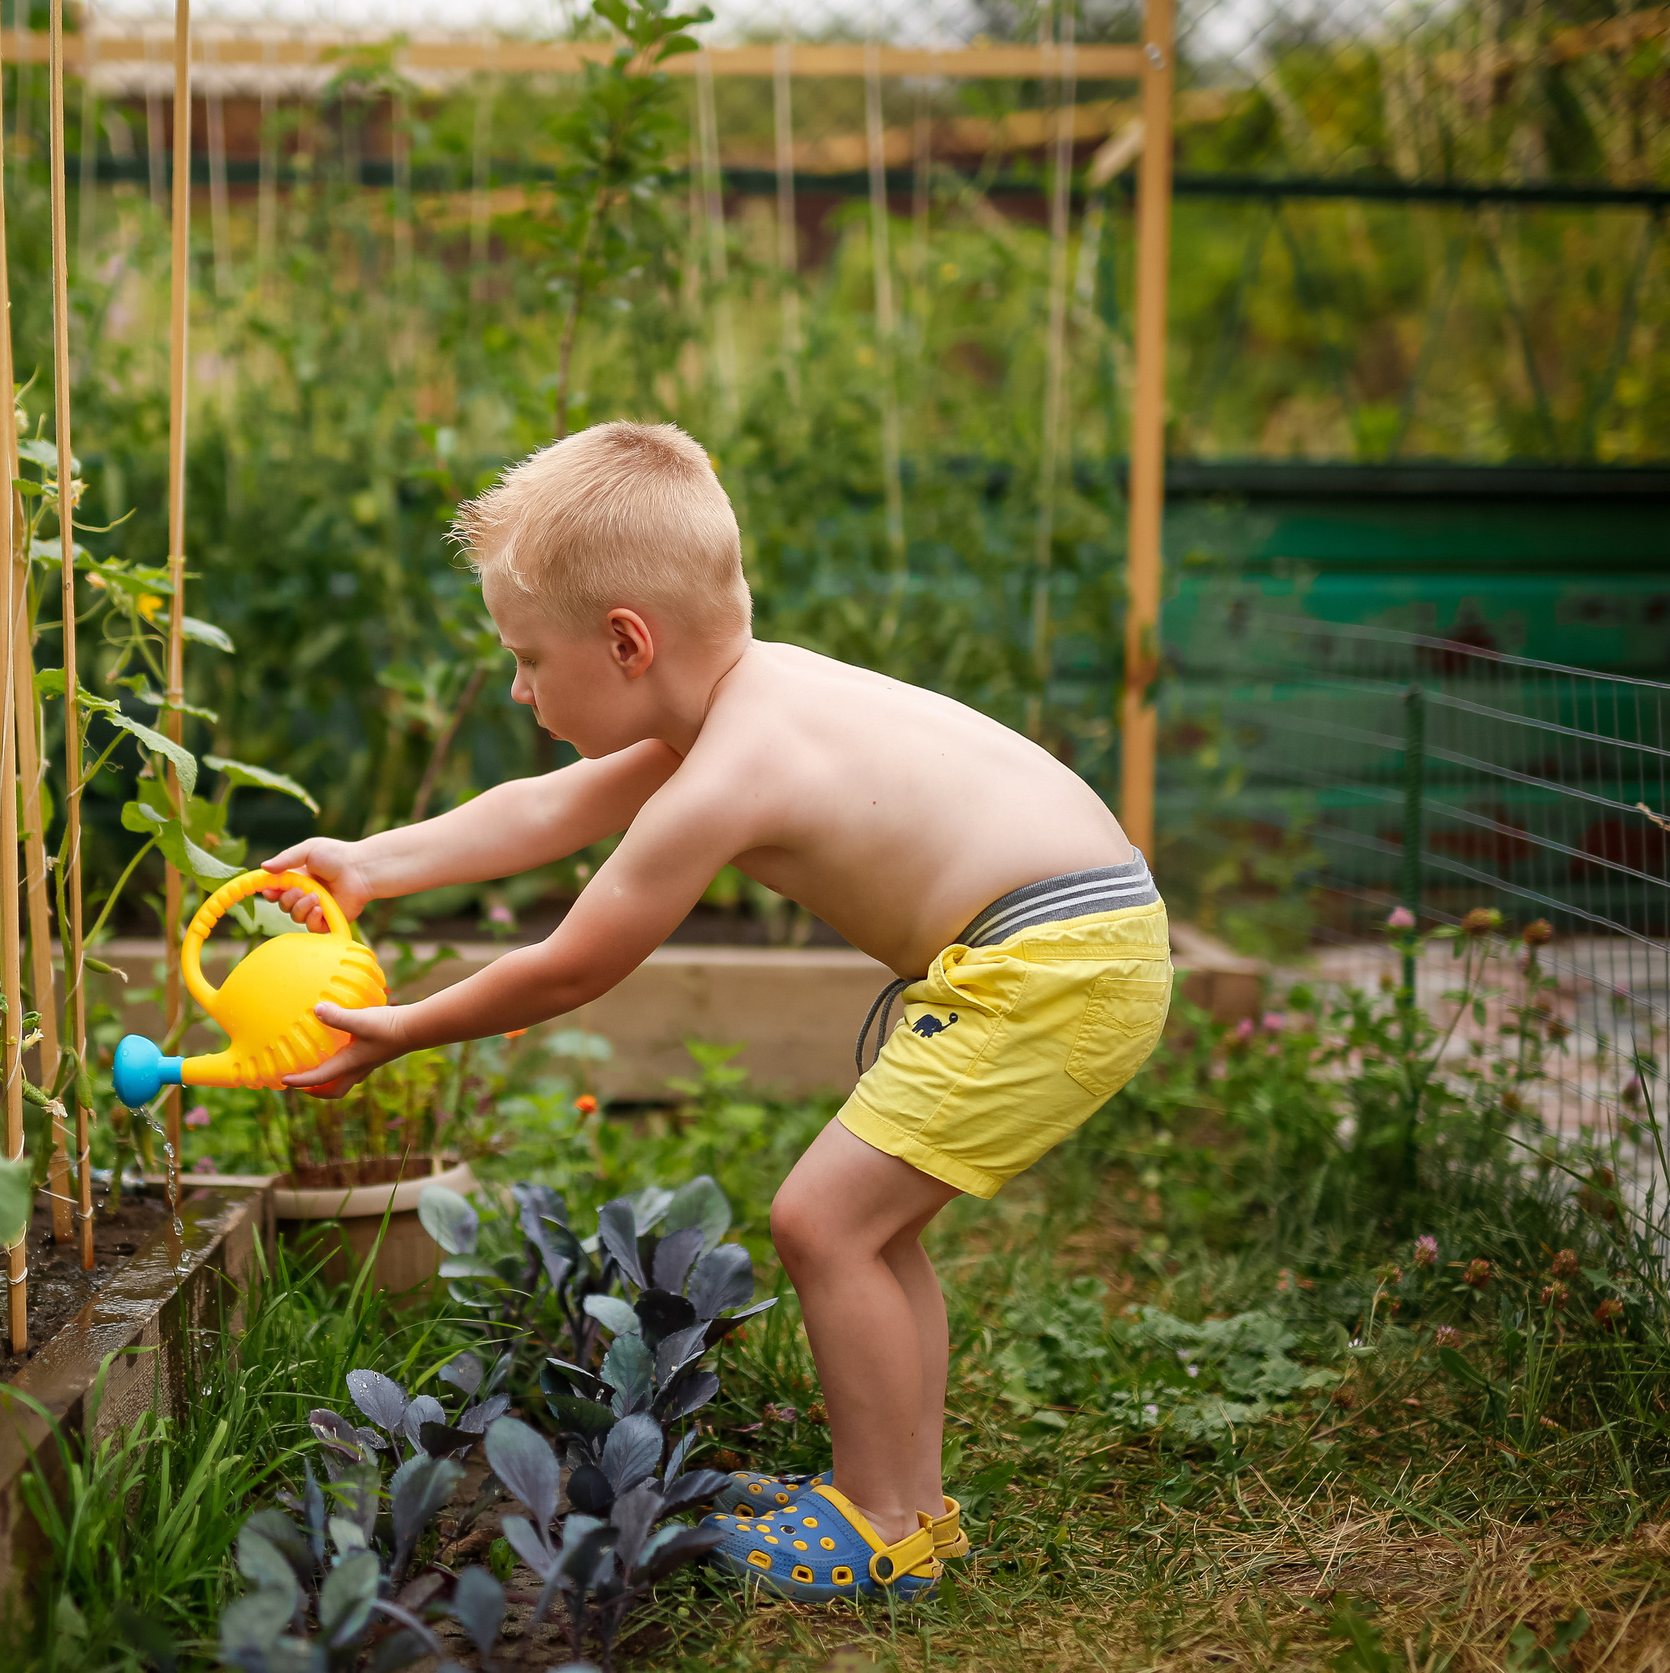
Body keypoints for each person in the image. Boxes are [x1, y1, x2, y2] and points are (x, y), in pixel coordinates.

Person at [258, 421, 1172, 1603]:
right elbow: (547, 808)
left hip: (1053, 962)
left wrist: (403, 1027)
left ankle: (878, 1523)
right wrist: (373, 865)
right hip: (1071, 941)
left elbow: (574, 964)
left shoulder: (738, 766)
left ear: (626, 642)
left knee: (825, 1223)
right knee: (871, 1230)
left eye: (529, 661)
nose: (525, 690)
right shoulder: (742, 701)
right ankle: (907, 1504)